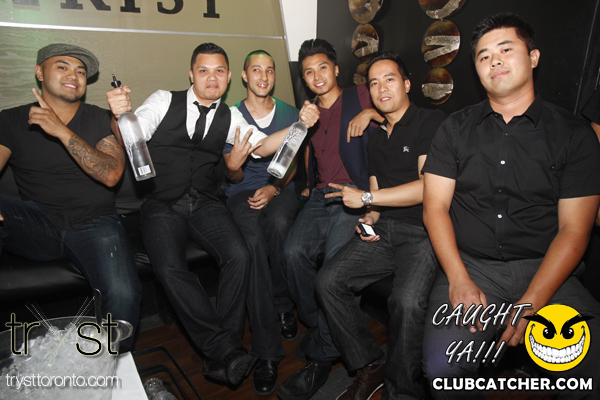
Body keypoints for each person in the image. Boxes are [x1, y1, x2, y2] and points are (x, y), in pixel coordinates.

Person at [106, 42, 318, 387]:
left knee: (239, 256)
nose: (211, 78)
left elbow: (263, 146)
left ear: (229, 77)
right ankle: (226, 349)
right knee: (169, 268)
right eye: (203, 71)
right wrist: (119, 114)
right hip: (162, 204)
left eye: (219, 71)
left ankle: (224, 352)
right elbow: (135, 134)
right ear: (191, 74)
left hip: (205, 203)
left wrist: (299, 125)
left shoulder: (230, 116)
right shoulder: (164, 100)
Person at [421, 13, 600, 399]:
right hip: (473, 268)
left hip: (548, 269)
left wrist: (532, 302)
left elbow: (574, 230)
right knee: (443, 367)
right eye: (484, 56)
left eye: (505, 49)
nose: (494, 61)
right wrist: (458, 279)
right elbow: (434, 207)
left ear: (533, 57)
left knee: (590, 370)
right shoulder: (454, 128)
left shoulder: (574, 135)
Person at [316, 51, 446, 400]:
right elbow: (375, 194)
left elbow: (427, 187)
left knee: (406, 303)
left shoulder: (429, 122)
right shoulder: (375, 136)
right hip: (386, 229)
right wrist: (369, 217)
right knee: (328, 281)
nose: (381, 88)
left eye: (389, 79)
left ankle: (401, 391)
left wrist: (367, 199)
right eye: (373, 83)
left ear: (407, 84)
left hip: (424, 232)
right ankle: (369, 363)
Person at [0, 43, 142, 351]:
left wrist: (60, 130)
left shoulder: (99, 118)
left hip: (95, 223)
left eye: (80, 71)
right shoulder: (11, 119)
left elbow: (111, 174)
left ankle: (113, 368)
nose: (73, 75)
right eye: (62, 67)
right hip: (37, 223)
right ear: (40, 73)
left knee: (124, 297)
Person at [278, 38, 382, 400]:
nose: (317, 76)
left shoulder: (361, 95)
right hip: (321, 195)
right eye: (308, 71)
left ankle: (322, 355)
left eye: (322, 67)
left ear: (336, 69)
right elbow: (309, 150)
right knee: (292, 254)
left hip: (353, 195)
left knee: (335, 271)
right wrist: (309, 183)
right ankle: (325, 324)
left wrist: (372, 114)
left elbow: (397, 112)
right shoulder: (308, 112)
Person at [223, 49, 301, 395]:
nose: (263, 76)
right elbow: (232, 175)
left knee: (280, 224)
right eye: (256, 70)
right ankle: (267, 351)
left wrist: (274, 187)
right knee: (252, 242)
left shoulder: (290, 113)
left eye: (269, 70)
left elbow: (294, 163)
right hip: (241, 193)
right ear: (244, 76)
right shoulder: (230, 116)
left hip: (279, 188)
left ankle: (282, 304)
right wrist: (234, 167)